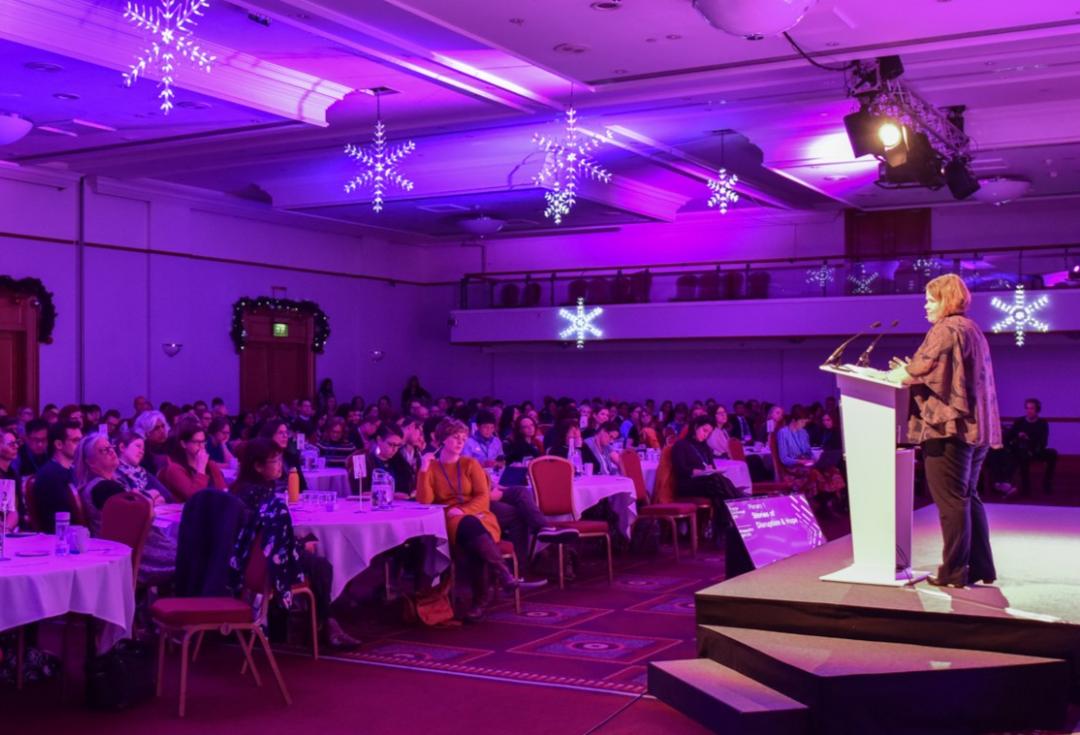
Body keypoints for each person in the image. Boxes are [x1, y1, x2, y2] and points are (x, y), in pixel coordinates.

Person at [888, 273, 1000, 589]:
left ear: (945, 300)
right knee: (967, 497)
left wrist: (902, 372)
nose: (924, 305)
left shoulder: (945, 329)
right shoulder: (971, 329)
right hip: (973, 429)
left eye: (930, 299)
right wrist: (913, 371)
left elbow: (920, 370)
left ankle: (954, 572)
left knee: (951, 501)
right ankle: (980, 566)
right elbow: (945, 375)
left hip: (947, 429)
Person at [229, 438, 358, 649]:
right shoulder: (259, 494)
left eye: (280, 460)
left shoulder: (241, 488)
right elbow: (268, 539)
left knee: (313, 556)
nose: (280, 466)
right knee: (321, 566)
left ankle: (320, 623)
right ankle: (326, 623)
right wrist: (298, 547)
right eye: (274, 461)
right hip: (260, 560)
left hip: (246, 556)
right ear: (258, 466)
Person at [417, 419, 519, 621]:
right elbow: (425, 500)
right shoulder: (433, 466)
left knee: (472, 535)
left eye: (463, 438)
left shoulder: (470, 464)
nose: (460, 442)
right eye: (455, 437)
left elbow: (483, 497)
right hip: (448, 519)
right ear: (442, 439)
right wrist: (423, 469)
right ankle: (499, 576)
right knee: (471, 533)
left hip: (479, 516)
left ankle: (482, 599)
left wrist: (464, 510)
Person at [669, 416, 749, 576]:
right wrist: (699, 471)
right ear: (695, 427)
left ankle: (723, 526)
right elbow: (681, 470)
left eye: (709, 432)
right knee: (717, 481)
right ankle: (738, 508)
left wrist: (709, 470)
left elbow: (711, 466)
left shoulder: (704, 447)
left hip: (707, 482)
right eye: (704, 430)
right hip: (688, 484)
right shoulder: (681, 445)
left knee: (718, 483)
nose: (705, 435)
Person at [158, 420, 227, 502]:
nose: (202, 447)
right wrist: (201, 469)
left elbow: (223, 492)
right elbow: (195, 498)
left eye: (203, 442)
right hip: (187, 512)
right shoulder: (174, 469)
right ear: (183, 444)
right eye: (197, 442)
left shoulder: (211, 465)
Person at [32, 420, 82, 532]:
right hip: (60, 539)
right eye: (76, 441)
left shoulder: (69, 470)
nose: (81, 446)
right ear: (59, 444)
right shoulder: (52, 475)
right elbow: (65, 519)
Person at [1006, 398, 1057, 495]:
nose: (1028, 411)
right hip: (1021, 450)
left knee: (1052, 453)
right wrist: (1018, 435)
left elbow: (1043, 441)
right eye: (1027, 408)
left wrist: (1029, 438)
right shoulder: (1019, 422)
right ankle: (1025, 487)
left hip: (1036, 449)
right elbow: (1009, 437)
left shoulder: (1042, 423)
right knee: (1021, 456)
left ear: (1037, 410)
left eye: (1031, 408)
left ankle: (1047, 483)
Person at [134, 410, 170, 474]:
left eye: (163, 426)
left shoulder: (171, 445)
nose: (162, 431)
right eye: (156, 428)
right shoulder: (143, 454)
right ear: (146, 433)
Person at [0, 427, 21, 531]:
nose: (16, 447)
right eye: (11, 444)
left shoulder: (12, 473)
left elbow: (12, 510)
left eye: (17, 443)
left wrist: (6, 528)